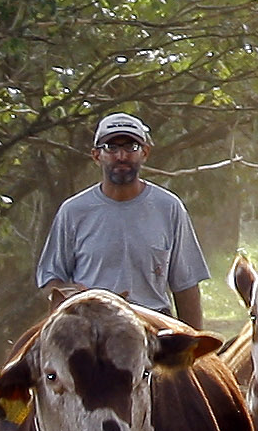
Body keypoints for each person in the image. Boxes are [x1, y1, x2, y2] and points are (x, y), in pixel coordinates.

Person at [35, 112, 205, 325]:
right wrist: (74, 295)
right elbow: (50, 279)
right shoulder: (73, 211)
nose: (121, 157)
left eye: (130, 148)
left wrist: (196, 352)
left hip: (152, 328)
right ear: (96, 155)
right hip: (89, 328)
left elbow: (186, 286)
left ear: (145, 153)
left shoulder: (168, 207)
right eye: (111, 148)